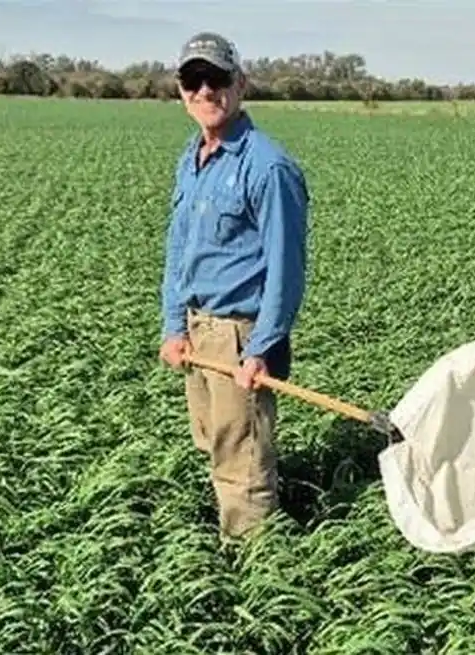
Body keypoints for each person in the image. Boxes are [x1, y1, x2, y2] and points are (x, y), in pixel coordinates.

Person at [157, 31, 311, 543]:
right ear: (180, 90)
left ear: (240, 84)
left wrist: (261, 348)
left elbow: (285, 271)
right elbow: (181, 250)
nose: (204, 91)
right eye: (192, 80)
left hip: (240, 335)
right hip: (200, 331)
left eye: (216, 78)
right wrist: (175, 325)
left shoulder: (268, 167)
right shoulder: (194, 157)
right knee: (216, 442)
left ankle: (257, 574)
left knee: (242, 464)